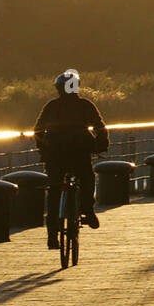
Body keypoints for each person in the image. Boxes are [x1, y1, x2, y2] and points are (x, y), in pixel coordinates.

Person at [33, 70, 108, 249]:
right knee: (88, 178)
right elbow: (100, 127)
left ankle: (52, 235)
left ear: (58, 89)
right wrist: (100, 145)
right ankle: (87, 211)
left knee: (54, 190)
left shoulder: (51, 106)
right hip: (79, 152)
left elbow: (38, 130)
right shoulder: (85, 106)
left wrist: (44, 149)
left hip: (55, 154)